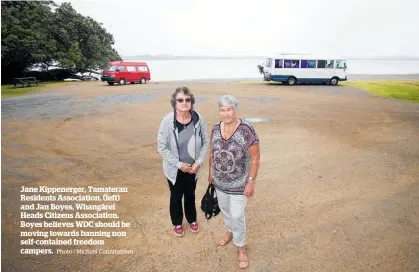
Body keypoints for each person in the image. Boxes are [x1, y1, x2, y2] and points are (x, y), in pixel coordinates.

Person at [208, 95, 260, 269]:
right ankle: (230, 231)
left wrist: (251, 181)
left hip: (240, 183)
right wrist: (210, 173)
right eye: (222, 110)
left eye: (229, 109)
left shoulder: (246, 130)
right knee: (226, 211)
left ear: (235, 109)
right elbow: (212, 152)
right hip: (220, 181)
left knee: (237, 215)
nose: (225, 113)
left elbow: (255, 158)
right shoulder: (215, 128)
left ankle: (242, 246)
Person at [157, 86, 209, 237]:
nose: (184, 102)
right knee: (175, 197)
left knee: (190, 195)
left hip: (193, 168)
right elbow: (162, 147)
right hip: (175, 169)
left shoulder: (198, 119)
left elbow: (205, 142)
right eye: (180, 100)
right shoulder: (167, 121)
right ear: (174, 103)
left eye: (187, 100)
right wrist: (179, 165)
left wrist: (198, 162)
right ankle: (177, 223)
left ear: (191, 102)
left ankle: (192, 219)